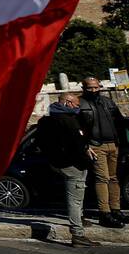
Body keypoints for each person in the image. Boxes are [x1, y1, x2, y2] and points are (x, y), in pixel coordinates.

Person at [35, 94, 101, 245]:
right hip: (73, 164)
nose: (78, 108)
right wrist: (84, 157)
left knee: (74, 198)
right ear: (68, 102)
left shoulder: (45, 119)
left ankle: (80, 221)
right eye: (76, 104)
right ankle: (77, 233)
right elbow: (77, 144)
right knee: (75, 200)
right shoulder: (69, 120)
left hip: (57, 163)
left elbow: (40, 142)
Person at [77, 77, 129, 227]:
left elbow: (119, 122)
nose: (94, 90)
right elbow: (77, 128)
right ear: (84, 88)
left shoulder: (107, 102)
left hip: (113, 144)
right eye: (90, 88)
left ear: (100, 87)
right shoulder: (80, 103)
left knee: (114, 178)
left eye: (96, 87)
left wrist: (122, 144)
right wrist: (86, 146)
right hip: (95, 145)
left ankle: (116, 210)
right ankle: (104, 212)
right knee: (102, 178)